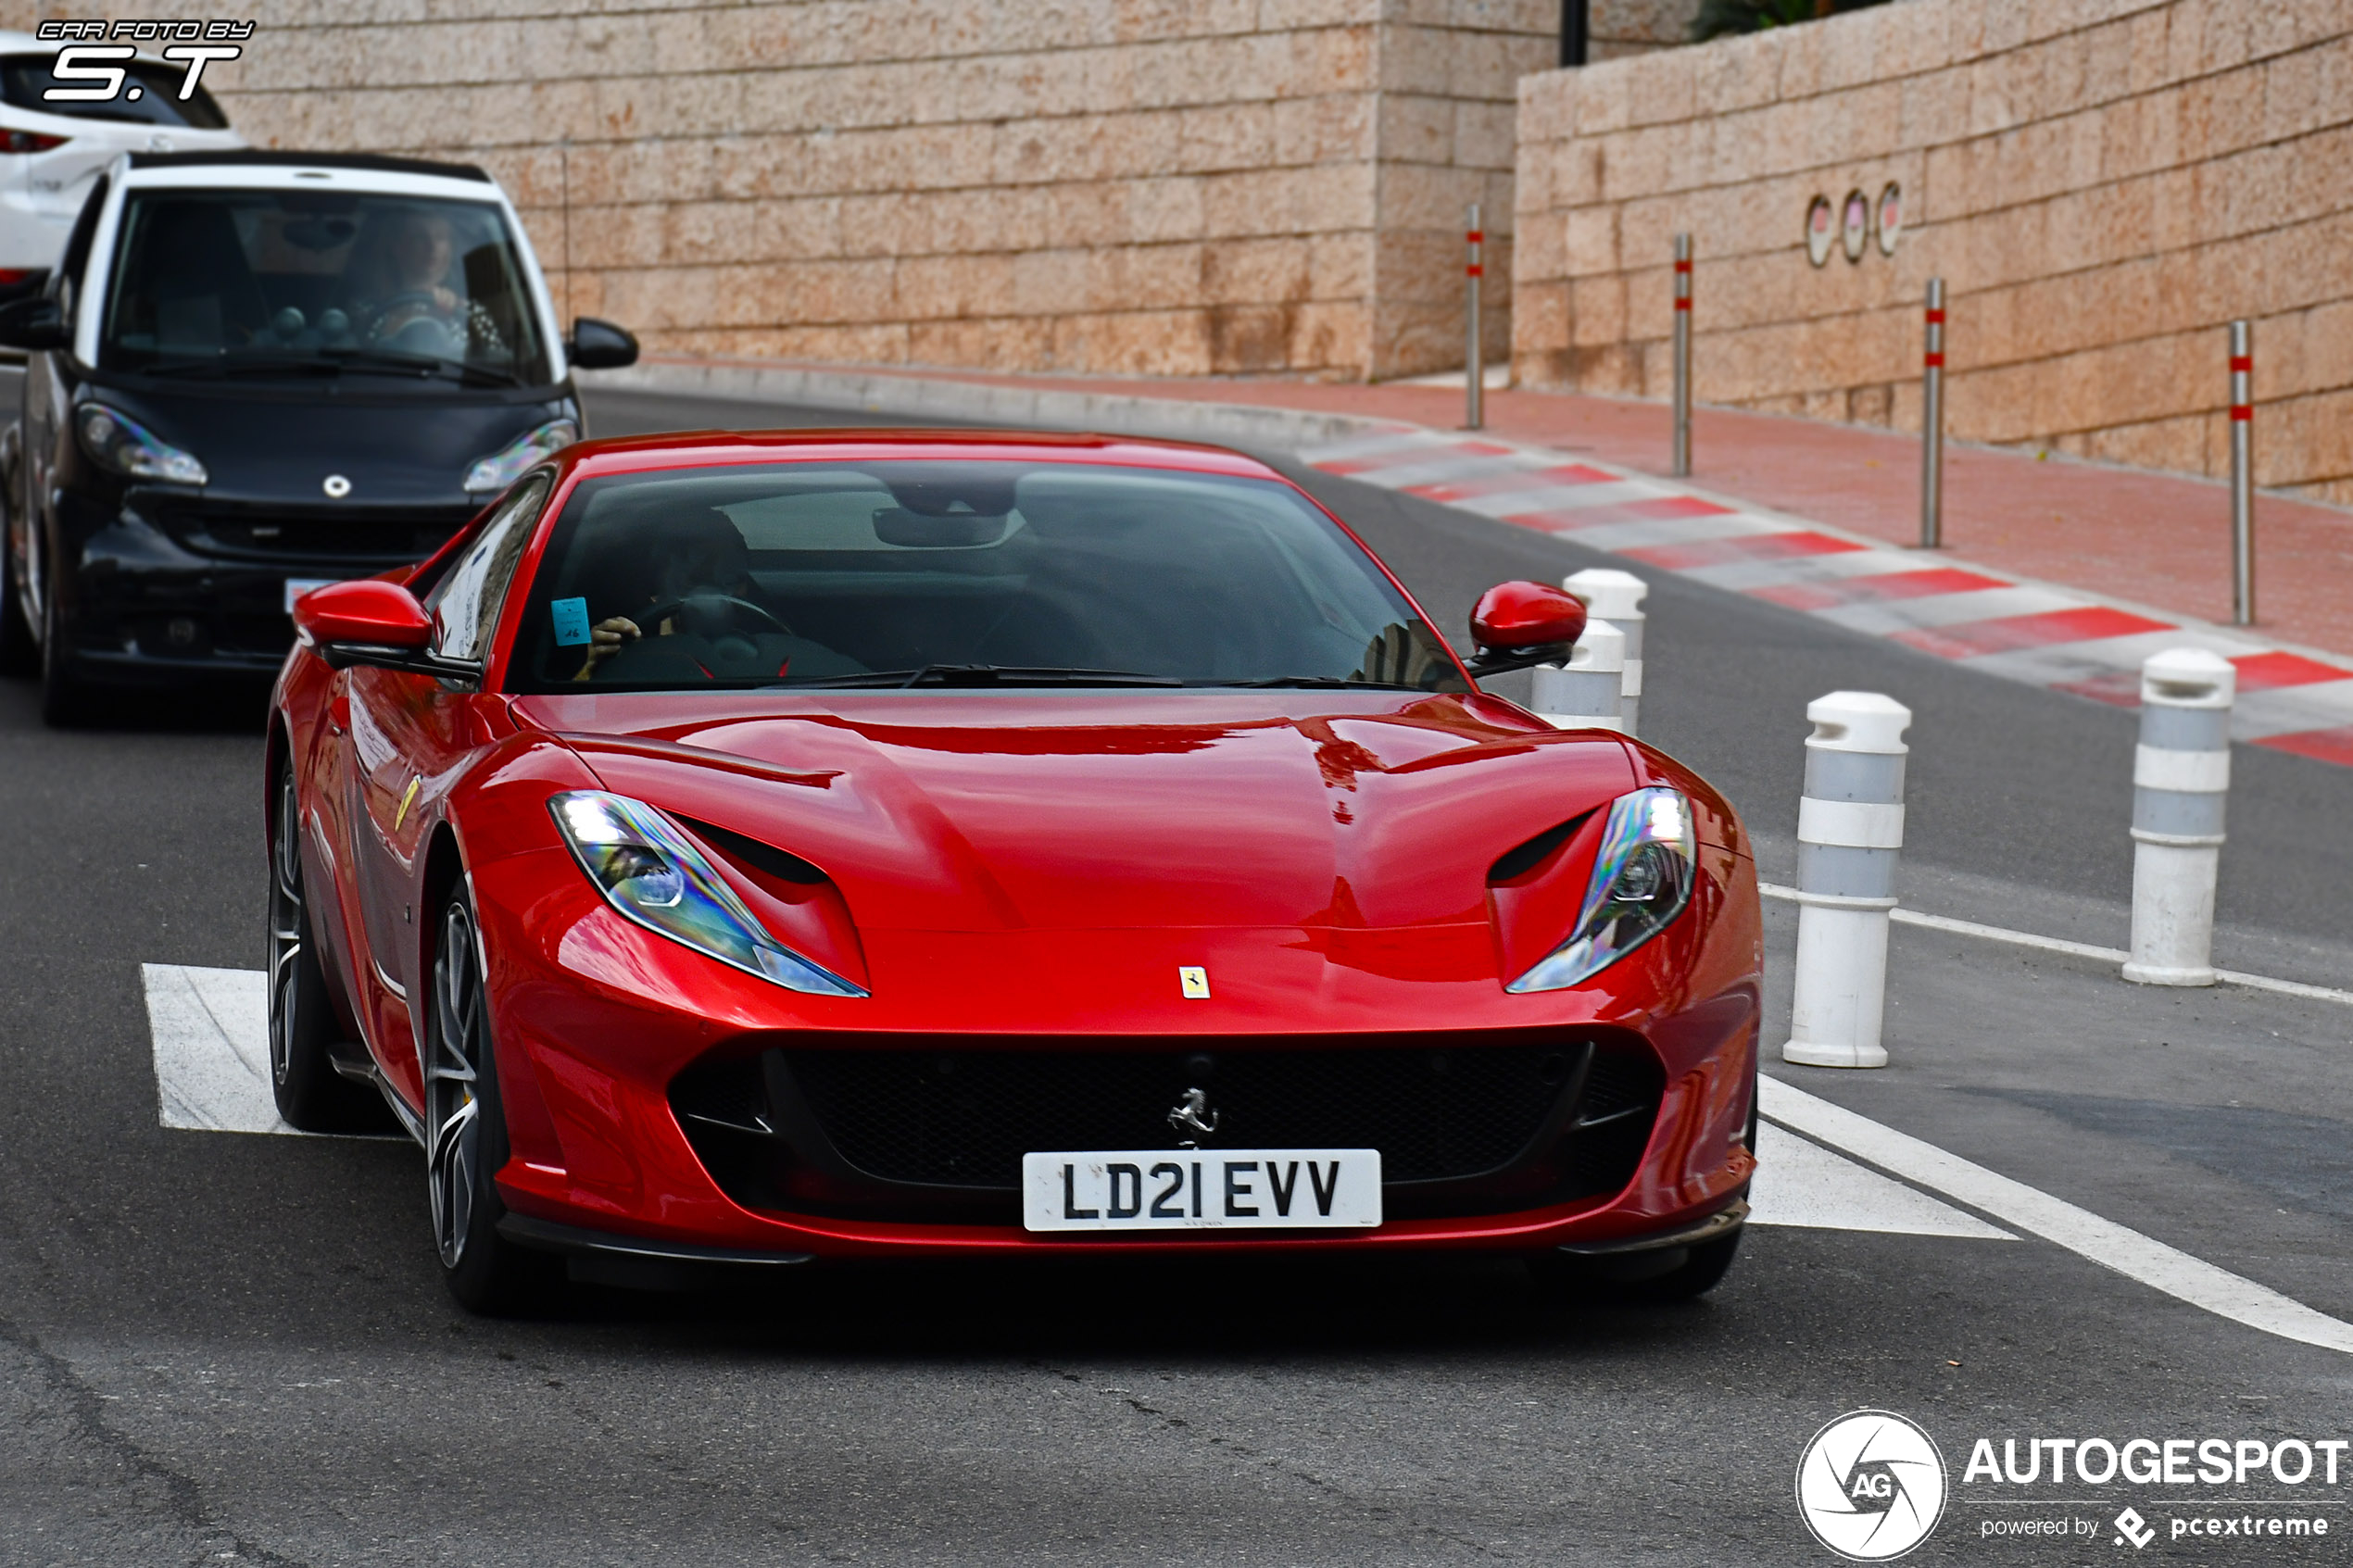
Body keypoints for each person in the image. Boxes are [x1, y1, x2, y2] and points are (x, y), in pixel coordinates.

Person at [347, 207, 506, 357]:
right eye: (419, 237)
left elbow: (497, 363)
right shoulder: (365, 309)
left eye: (440, 238)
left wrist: (454, 315)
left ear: (450, 247)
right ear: (397, 247)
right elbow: (352, 362)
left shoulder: (470, 311)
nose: (432, 247)